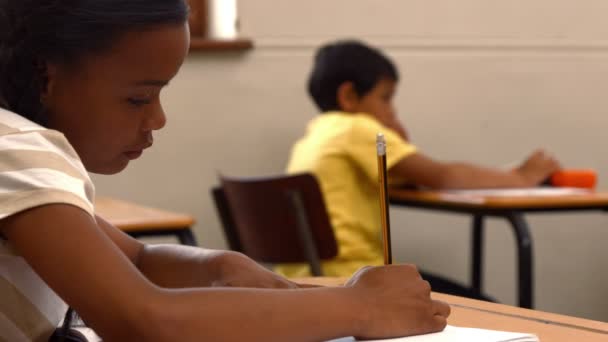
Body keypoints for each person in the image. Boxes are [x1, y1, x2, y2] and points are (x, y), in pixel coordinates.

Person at [0, 1, 450, 341]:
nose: (158, 119)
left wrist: (218, 265)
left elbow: (137, 259)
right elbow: (142, 320)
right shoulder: (16, 145)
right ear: (46, 77)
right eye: (139, 98)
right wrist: (358, 307)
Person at [275, 40, 561, 278]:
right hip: (353, 279)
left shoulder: (317, 133)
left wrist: (396, 137)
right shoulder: (357, 128)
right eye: (386, 98)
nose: (391, 110)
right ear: (349, 96)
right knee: (486, 307)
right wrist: (522, 178)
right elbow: (442, 177)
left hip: (306, 278)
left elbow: (409, 175)